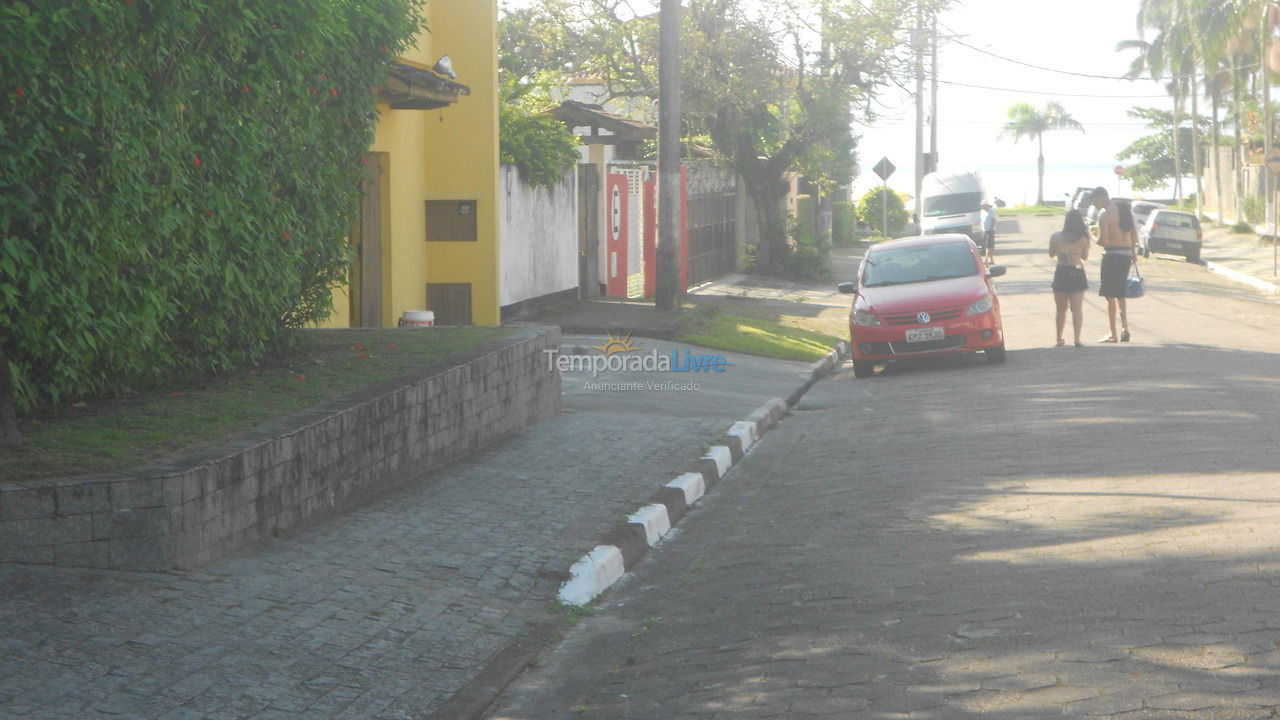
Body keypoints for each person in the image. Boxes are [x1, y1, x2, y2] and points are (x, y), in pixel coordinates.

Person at [1092, 187, 1136, 342]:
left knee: (1109, 296)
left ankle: (1113, 334)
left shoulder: (1104, 216)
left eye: (1094, 201)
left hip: (1112, 255)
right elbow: (1133, 234)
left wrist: (1092, 235)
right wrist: (1134, 254)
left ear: (1101, 197)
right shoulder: (1125, 211)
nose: (1094, 204)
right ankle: (1125, 328)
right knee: (1121, 294)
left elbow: (1103, 241)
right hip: (1126, 255)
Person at [1049, 210, 1091, 347]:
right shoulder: (1084, 238)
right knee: (1077, 308)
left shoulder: (1055, 237)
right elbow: (1084, 257)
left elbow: (1051, 254)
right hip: (1077, 271)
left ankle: (1058, 338)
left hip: (1061, 271)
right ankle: (1077, 338)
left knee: (1061, 309)